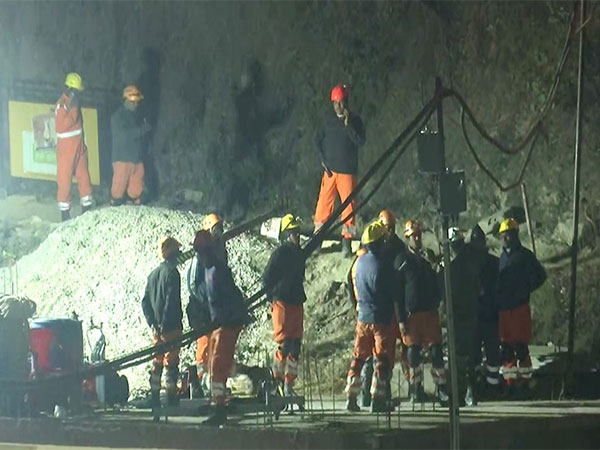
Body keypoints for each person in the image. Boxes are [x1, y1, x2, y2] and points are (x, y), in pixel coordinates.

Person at [194, 230, 248, 426]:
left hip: (227, 324)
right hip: (219, 324)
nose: (201, 256)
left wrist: (225, 318)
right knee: (212, 364)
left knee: (218, 365)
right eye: (199, 253)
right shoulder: (207, 272)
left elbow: (229, 299)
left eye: (203, 252)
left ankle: (220, 409)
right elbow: (204, 297)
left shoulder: (220, 271)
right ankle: (217, 402)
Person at [345, 221, 396, 413]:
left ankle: (351, 397)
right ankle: (378, 399)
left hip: (362, 318)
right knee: (381, 360)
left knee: (358, 359)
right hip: (379, 320)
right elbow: (390, 294)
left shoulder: (358, 263)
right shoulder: (383, 266)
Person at [396, 219, 447, 405]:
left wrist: (438, 301)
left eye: (418, 236)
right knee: (413, 353)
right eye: (413, 236)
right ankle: (415, 389)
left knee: (436, 351)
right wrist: (401, 318)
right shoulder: (402, 260)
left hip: (430, 312)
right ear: (407, 238)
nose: (416, 239)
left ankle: (441, 388)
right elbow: (397, 292)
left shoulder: (428, 257)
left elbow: (437, 281)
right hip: (411, 316)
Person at [313, 84, 366, 257]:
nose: (339, 106)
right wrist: (322, 160)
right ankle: (317, 243)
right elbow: (316, 140)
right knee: (323, 208)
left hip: (348, 172)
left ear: (347, 102)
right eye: (336, 103)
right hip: (330, 172)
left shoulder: (355, 121)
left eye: (341, 103)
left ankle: (346, 245)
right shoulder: (327, 120)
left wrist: (348, 124)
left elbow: (360, 141)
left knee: (349, 209)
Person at [496, 218, 546, 397]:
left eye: (508, 235)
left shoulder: (525, 256)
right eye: (503, 236)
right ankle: (510, 384)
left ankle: (524, 384)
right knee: (506, 349)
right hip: (504, 310)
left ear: (515, 235)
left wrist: (526, 288)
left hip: (519, 308)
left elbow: (541, 275)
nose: (505, 239)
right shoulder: (501, 258)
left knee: (521, 347)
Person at [262, 214, 306, 396]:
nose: (297, 235)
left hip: (295, 302)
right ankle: (276, 382)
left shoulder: (299, 253)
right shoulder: (280, 254)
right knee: (285, 344)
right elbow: (266, 278)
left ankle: (289, 384)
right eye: (293, 232)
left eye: (297, 232)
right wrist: (271, 297)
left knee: (295, 346)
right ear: (286, 234)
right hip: (282, 303)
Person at [141, 237, 183, 419]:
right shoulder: (173, 274)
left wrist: (153, 324)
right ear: (173, 254)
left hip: (156, 331)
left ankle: (155, 397)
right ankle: (171, 397)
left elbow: (145, 303)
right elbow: (171, 302)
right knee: (171, 364)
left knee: (157, 363)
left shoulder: (152, 275)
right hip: (171, 328)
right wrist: (165, 325)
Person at [445, 227, 483, 406]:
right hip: (469, 313)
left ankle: (462, 392)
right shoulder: (471, 263)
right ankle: (469, 391)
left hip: (459, 315)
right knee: (469, 354)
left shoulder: (454, 267)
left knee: (459, 355)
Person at [55, 72, 93, 221]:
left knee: (84, 176)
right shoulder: (62, 105)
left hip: (79, 145)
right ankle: (65, 214)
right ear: (70, 90)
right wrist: (71, 108)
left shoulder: (74, 102)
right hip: (67, 148)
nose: (78, 94)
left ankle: (87, 208)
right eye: (76, 91)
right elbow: (61, 126)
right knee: (64, 180)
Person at [470, 224, 501, 398]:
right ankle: (478, 387)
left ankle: (490, 386)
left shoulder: (492, 263)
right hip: (479, 315)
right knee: (478, 354)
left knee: (491, 354)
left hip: (488, 315)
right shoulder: (469, 264)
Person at [110, 85, 151, 205]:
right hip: (122, 158)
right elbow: (124, 135)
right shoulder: (117, 117)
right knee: (118, 191)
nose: (136, 105)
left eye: (137, 102)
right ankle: (115, 205)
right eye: (133, 102)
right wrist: (142, 130)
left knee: (137, 192)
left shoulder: (137, 115)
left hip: (136, 158)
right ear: (126, 101)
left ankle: (134, 205)